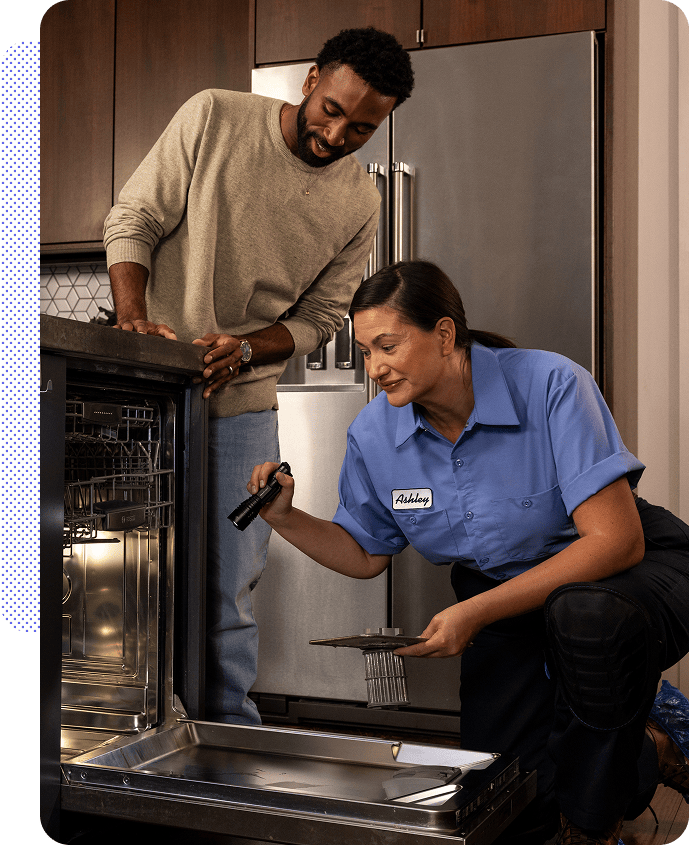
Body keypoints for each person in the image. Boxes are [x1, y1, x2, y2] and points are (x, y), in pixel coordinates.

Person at [248, 260, 689, 845]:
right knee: (507, 797)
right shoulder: (375, 435)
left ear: (444, 335)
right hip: (506, 597)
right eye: (365, 352)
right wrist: (285, 517)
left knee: (586, 622)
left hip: (625, 576)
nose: (374, 368)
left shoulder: (552, 383)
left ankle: (592, 828)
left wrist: (474, 613)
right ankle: (654, 744)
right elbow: (363, 553)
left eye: (388, 347)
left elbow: (615, 540)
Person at [102, 28, 414, 724]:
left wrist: (245, 349)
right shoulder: (214, 115)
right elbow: (134, 218)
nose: (336, 136)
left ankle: (224, 749)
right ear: (310, 80)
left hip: (242, 406)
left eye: (362, 129)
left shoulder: (360, 202)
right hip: (144, 395)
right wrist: (132, 320)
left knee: (226, 596)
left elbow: (322, 317)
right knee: (121, 581)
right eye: (331, 110)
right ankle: (126, 742)